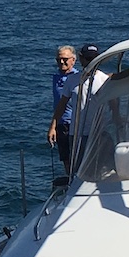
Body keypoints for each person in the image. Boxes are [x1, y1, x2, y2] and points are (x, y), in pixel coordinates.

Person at [47, 45, 82, 174]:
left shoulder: (79, 77)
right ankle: (70, 182)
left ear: (73, 60)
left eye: (65, 59)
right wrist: (53, 127)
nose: (62, 62)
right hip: (61, 124)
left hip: (76, 124)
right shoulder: (56, 77)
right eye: (59, 59)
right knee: (65, 158)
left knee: (78, 157)